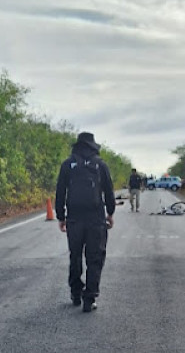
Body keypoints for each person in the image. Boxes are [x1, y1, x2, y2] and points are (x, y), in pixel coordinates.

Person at [55, 132, 116, 313]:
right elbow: (109, 192)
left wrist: (61, 216)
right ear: (93, 147)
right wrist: (110, 213)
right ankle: (89, 298)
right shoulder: (100, 165)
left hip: (74, 218)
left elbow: (60, 192)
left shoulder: (67, 165)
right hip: (95, 218)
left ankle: (75, 292)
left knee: (75, 256)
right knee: (94, 258)